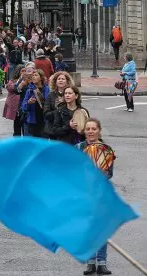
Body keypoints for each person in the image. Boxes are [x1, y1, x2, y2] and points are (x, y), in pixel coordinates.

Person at [76, 118, 114, 276]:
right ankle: (91, 263)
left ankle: (102, 263)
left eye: (93, 129)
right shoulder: (78, 148)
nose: (90, 131)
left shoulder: (106, 149)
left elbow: (109, 173)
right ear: (84, 132)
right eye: (88, 129)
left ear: (99, 130)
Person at [21, 69, 50, 137]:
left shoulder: (47, 89)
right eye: (33, 75)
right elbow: (23, 107)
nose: (33, 77)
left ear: (41, 78)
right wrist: (29, 102)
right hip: (32, 122)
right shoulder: (29, 90)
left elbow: (49, 105)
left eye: (36, 75)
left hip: (44, 121)